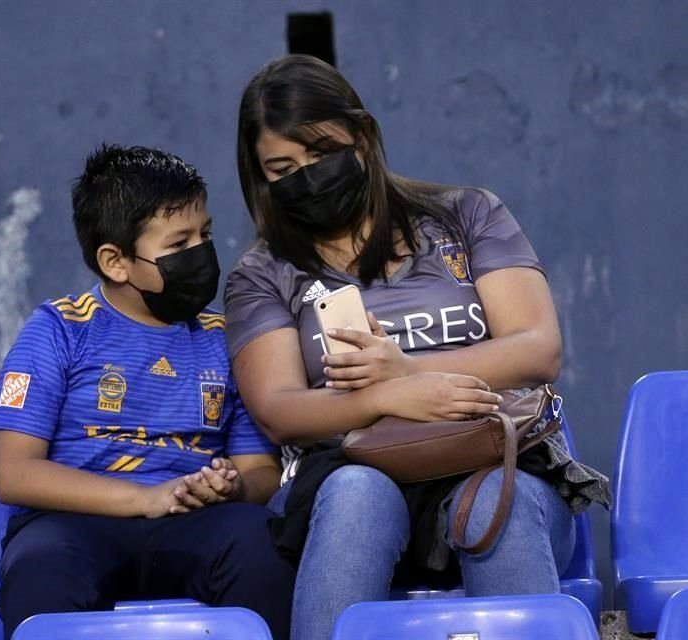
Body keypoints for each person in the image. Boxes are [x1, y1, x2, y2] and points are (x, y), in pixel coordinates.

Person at [225, 55, 609, 640]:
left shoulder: (467, 215)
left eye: (322, 153)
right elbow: (279, 410)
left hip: (497, 462)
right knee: (355, 495)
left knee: (494, 506)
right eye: (282, 167)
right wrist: (398, 398)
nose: (305, 176)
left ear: (364, 136)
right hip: (353, 476)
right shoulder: (263, 273)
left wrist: (408, 367)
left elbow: (538, 348)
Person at [0, 144, 294, 640]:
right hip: (75, 522)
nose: (201, 252)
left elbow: (261, 472)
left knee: (263, 551)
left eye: (206, 234)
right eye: (179, 244)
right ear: (116, 261)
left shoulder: (227, 338)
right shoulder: (59, 329)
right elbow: (13, 473)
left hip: (197, 520)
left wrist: (231, 487)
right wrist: (143, 498)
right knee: (39, 572)